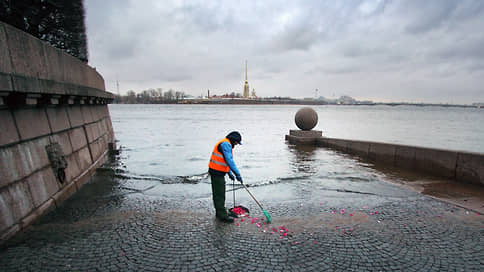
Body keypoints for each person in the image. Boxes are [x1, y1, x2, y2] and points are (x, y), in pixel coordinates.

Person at [208, 131, 243, 223]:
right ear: (233, 140)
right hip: (216, 172)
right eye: (236, 142)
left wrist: (229, 172)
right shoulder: (226, 144)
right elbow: (229, 160)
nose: (236, 144)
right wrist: (237, 174)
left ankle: (221, 211)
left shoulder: (226, 143)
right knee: (219, 194)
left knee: (221, 192)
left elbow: (223, 160)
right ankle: (222, 215)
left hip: (219, 172)